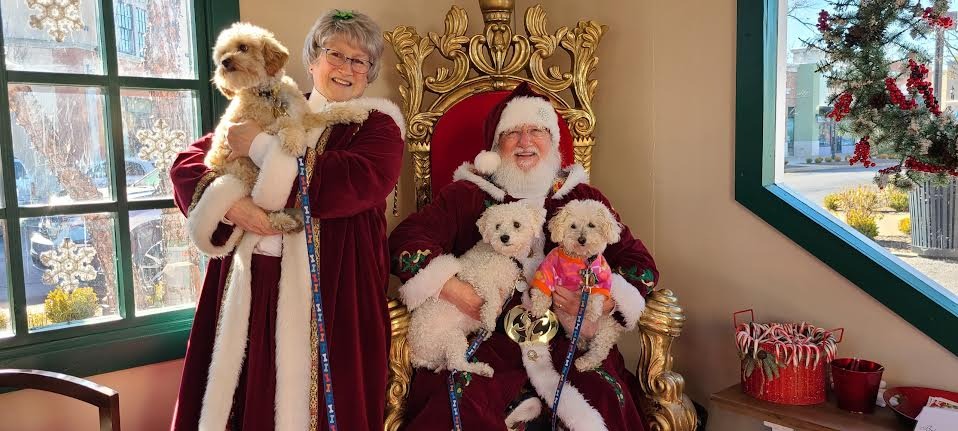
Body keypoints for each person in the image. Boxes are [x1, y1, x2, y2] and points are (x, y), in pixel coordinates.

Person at [169, 10, 403, 430]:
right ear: (312, 60)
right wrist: (232, 206)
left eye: (359, 60)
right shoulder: (274, 106)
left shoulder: (377, 127)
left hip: (334, 293)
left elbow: (353, 182)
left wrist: (260, 146)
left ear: (370, 72)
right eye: (335, 54)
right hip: (252, 284)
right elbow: (187, 165)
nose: (346, 67)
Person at [389, 83, 657, 430]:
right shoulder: (466, 195)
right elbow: (406, 241)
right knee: (457, 404)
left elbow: (640, 265)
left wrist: (603, 301)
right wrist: (456, 290)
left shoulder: (582, 198)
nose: (525, 141)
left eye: (537, 131)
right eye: (512, 132)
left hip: (568, 339)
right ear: (496, 145)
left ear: (553, 141)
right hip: (486, 338)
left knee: (604, 397)